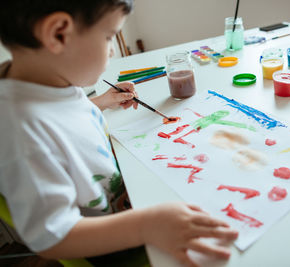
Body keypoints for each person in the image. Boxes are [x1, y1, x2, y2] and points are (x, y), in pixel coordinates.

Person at [0, 1, 238, 266]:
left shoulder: (48, 79)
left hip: (123, 201)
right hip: (110, 242)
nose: (113, 50)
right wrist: (145, 226)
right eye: (108, 37)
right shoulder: (19, 130)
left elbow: (60, 120)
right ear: (58, 34)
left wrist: (102, 101)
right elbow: (52, 236)